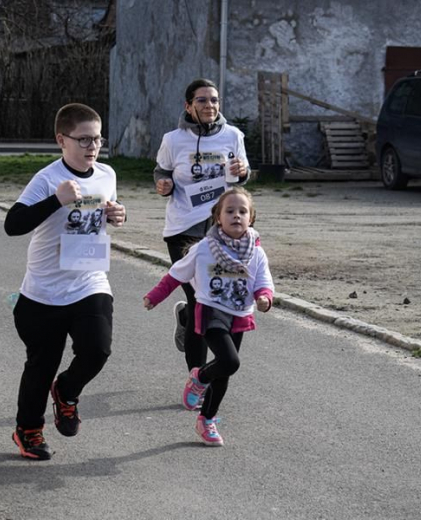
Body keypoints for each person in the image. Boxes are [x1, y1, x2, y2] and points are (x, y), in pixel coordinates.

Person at [4, 103, 126, 460]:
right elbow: (13, 224)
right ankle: (28, 431)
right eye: (84, 139)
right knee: (41, 366)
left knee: (97, 349)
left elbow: (108, 208)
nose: (92, 147)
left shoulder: (106, 174)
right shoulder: (46, 179)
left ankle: (67, 392)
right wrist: (56, 200)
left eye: (98, 139)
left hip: (90, 281)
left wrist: (118, 213)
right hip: (43, 292)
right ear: (62, 139)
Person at [143, 187, 273, 446]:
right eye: (230, 211)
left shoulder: (256, 252)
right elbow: (176, 274)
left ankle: (207, 420)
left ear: (251, 218)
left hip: (238, 313)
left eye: (242, 211)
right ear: (218, 217)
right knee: (230, 361)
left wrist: (264, 298)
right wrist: (154, 296)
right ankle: (200, 377)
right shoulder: (204, 249)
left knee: (224, 372)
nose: (236, 215)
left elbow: (263, 280)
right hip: (211, 310)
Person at [153, 78, 251, 410]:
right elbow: (160, 172)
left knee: (212, 302)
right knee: (200, 300)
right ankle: (197, 377)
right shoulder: (173, 139)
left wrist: (243, 170)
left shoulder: (233, 135)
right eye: (203, 100)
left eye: (215, 100)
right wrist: (163, 184)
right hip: (184, 230)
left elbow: (242, 176)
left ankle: (198, 354)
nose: (210, 106)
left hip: (221, 230)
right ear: (188, 105)